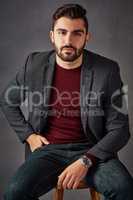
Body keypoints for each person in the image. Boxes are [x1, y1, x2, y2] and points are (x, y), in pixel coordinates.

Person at [0, 3, 133, 200]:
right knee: (14, 193)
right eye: (62, 32)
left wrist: (87, 160)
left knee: (125, 190)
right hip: (47, 151)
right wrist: (29, 136)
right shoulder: (34, 63)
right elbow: (7, 100)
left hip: (93, 150)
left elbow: (120, 129)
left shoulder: (107, 70)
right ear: (52, 35)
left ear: (87, 36)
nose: (68, 40)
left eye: (77, 33)